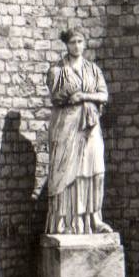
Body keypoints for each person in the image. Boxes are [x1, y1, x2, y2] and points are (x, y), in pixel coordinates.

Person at [45, 28, 113, 235]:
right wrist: (81, 96)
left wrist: (83, 95)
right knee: (67, 172)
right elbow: (57, 96)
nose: (77, 45)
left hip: (91, 126)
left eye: (80, 41)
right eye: (73, 42)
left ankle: (93, 218)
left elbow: (104, 95)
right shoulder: (57, 70)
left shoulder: (93, 70)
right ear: (66, 44)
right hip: (67, 126)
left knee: (93, 170)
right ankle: (65, 222)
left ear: (85, 43)